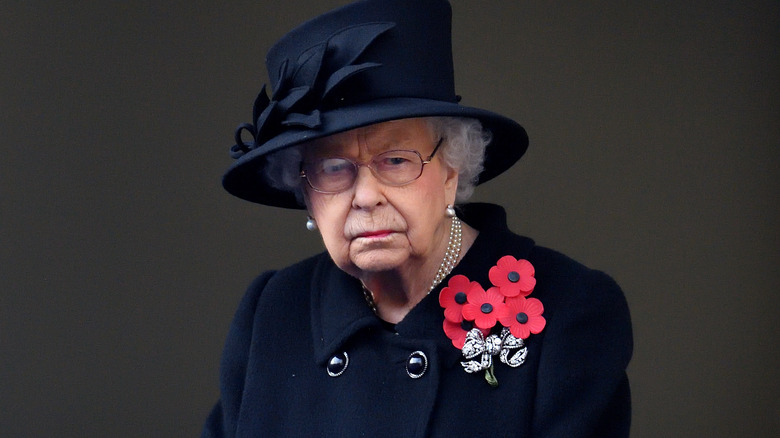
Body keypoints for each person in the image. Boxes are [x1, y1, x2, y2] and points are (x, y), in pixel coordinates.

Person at [202, 0, 632, 436]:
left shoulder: (570, 311)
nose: (366, 197)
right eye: (333, 168)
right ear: (306, 194)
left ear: (452, 169)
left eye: (395, 160)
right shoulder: (273, 312)